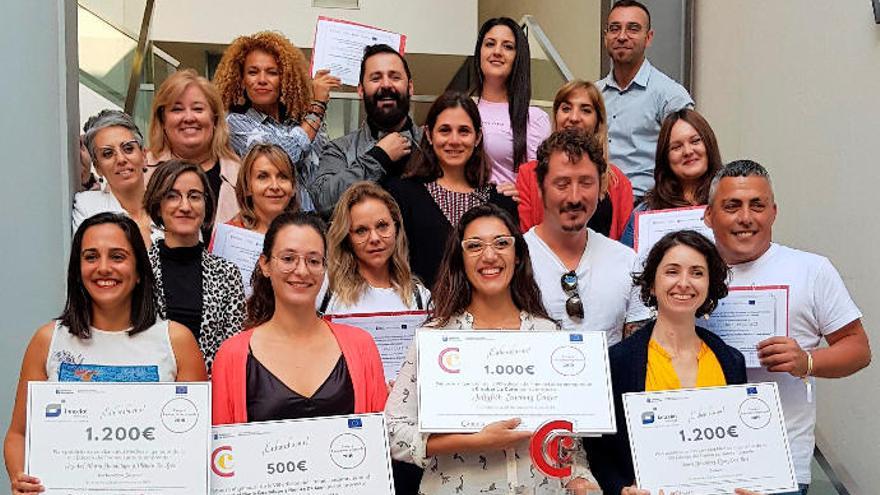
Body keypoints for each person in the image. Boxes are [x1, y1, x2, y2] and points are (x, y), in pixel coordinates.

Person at [387, 204, 598, 495]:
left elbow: (567, 445)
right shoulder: (437, 338)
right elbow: (393, 431)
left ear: (518, 255)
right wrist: (473, 441)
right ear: (460, 259)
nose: (489, 255)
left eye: (501, 243)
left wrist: (578, 479)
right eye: (474, 246)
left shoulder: (549, 337)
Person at [4, 213, 207, 495]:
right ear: (77, 270)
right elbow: (18, 434)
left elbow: (197, 444)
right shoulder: (48, 340)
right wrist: (19, 477)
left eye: (117, 256)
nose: (103, 268)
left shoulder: (177, 341)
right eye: (90, 257)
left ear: (138, 271)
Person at [704, 160, 871, 495]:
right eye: (732, 206)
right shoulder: (690, 275)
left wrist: (806, 361)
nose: (746, 217)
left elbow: (858, 349)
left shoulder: (810, 270)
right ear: (709, 215)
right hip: (702, 458)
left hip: (779, 466)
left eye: (758, 205)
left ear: (774, 212)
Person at [585, 229, 747, 495]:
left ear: (710, 285)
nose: (684, 283)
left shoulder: (730, 361)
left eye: (697, 272)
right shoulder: (616, 363)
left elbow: (739, 447)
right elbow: (599, 452)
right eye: (672, 271)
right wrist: (621, 490)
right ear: (652, 283)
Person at [211, 212, 387, 425]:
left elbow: (377, 440)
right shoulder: (231, 356)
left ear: (324, 268)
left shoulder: (361, 346)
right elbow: (223, 452)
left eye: (313, 261)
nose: (302, 271)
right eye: (288, 259)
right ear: (265, 264)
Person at [524, 129, 650, 344]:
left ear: (601, 187)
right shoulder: (513, 259)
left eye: (585, 183)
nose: (574, 197)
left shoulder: (628, 262)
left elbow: (638, 350)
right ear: (540, 188)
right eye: (562, 184)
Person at [384, 90, 518, 289]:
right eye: (445, 130)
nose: (454, 140)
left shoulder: (501, 202)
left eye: (464, 131)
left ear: (478, 137)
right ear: (429, 135)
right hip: (424, 315)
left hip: (486, 316)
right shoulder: (401, 196)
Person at [213, 30, 340, 212]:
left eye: (272, 72)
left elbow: (326, 169)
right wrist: (317, 106)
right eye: (253, 72)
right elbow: (281, 157)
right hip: (274, 230)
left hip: (319, 227)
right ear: (241, 80)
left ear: (285, 80)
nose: (262, 80)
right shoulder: (234, 123)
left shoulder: (302, 122)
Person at [144, 160, 245, 371]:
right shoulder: (138, 271)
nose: (185, 206)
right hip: (149, 393)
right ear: (158, 206)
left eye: (194, 196)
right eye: (172, 196)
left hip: (210, 394)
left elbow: (232, 350)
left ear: (206, 205)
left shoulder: (227, 274)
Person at [599, 0, 694, 203]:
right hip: (597, 203)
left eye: (633, 29)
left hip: (646, 203)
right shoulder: (594, 95)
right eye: (615, 29)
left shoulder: (670, 95)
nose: (622, 36)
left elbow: (690, 158)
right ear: (606, 36)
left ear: (648, 37)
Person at [311, 44, 421, 218]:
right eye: (376, 78)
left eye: (395, 77)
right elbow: (323, 202)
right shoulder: (339, 149)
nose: (386, 85)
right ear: (361, 90)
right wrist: (378, 157)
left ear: (410, 87)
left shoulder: (431, 144)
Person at [517, 79, 634, 239]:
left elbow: (623, 244)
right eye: (566, 108)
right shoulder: (529, 174)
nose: (574, 117)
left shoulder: (619, 183)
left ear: (598, 121)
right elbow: (526, 240)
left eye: (585, 110)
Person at [145, 69, 242, 226]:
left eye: (198, 109)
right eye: (177, 109)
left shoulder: (242, 176)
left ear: (214, 119)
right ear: (163, 120)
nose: (189, 118)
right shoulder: (140, 173)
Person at [320, 181, 429, 314]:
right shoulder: (325, 289)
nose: (374, 238)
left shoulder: (420, 297)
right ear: (347, 238)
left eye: (382, 226)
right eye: (361, 230)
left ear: (396, 228)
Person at [620, 108, 722, 247]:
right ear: (665, 157)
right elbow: (627, 265)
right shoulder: (646, 213)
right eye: (676, 147)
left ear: (709, 144)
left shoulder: (731, 201)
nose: (688, 151)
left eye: (695, 141)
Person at [472, 17, 551, 188]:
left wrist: (522, 192)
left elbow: (544, 183)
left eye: (508, 46)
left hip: (514, 210)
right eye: (490, 44)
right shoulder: (464, 110)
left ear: (518, 56)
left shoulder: (536, 118)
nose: (497, 51)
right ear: (479, 52)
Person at [74, 110, 161, 245]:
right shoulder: (88, 208)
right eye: (108, 153)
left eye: (128, 148)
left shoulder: (171, 207)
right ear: (98, 167)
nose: (121, 159)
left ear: (144, 156)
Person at [228, 143, 300, 233]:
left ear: (293, 187)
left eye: (283, 176)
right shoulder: (229, 235)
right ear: (247, 187)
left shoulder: (308, 234)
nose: (275, 186)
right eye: (263, 177)